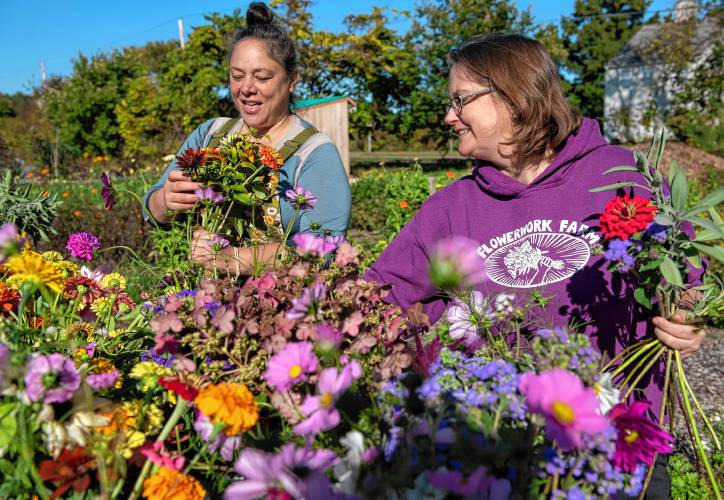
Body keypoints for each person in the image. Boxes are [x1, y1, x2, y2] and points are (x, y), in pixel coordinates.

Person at [365, 33, 705, 498]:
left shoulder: (620, 175)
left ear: (513, 94)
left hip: (619, 441)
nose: (449, 115)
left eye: (460, 99)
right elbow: (380, 297)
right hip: (500, 444)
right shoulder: (450, 209)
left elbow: (686, 276)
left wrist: (687, 318)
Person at [142, 2, 350, 275]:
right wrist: (165, 202)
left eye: (262, 77)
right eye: (237, 76)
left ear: (292, 80)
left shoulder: (314, 153)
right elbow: (152, 213)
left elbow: (323, 249)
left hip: (284, 307)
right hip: (206, 303)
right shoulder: (211, 134)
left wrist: (233, 258)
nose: (246, 88)